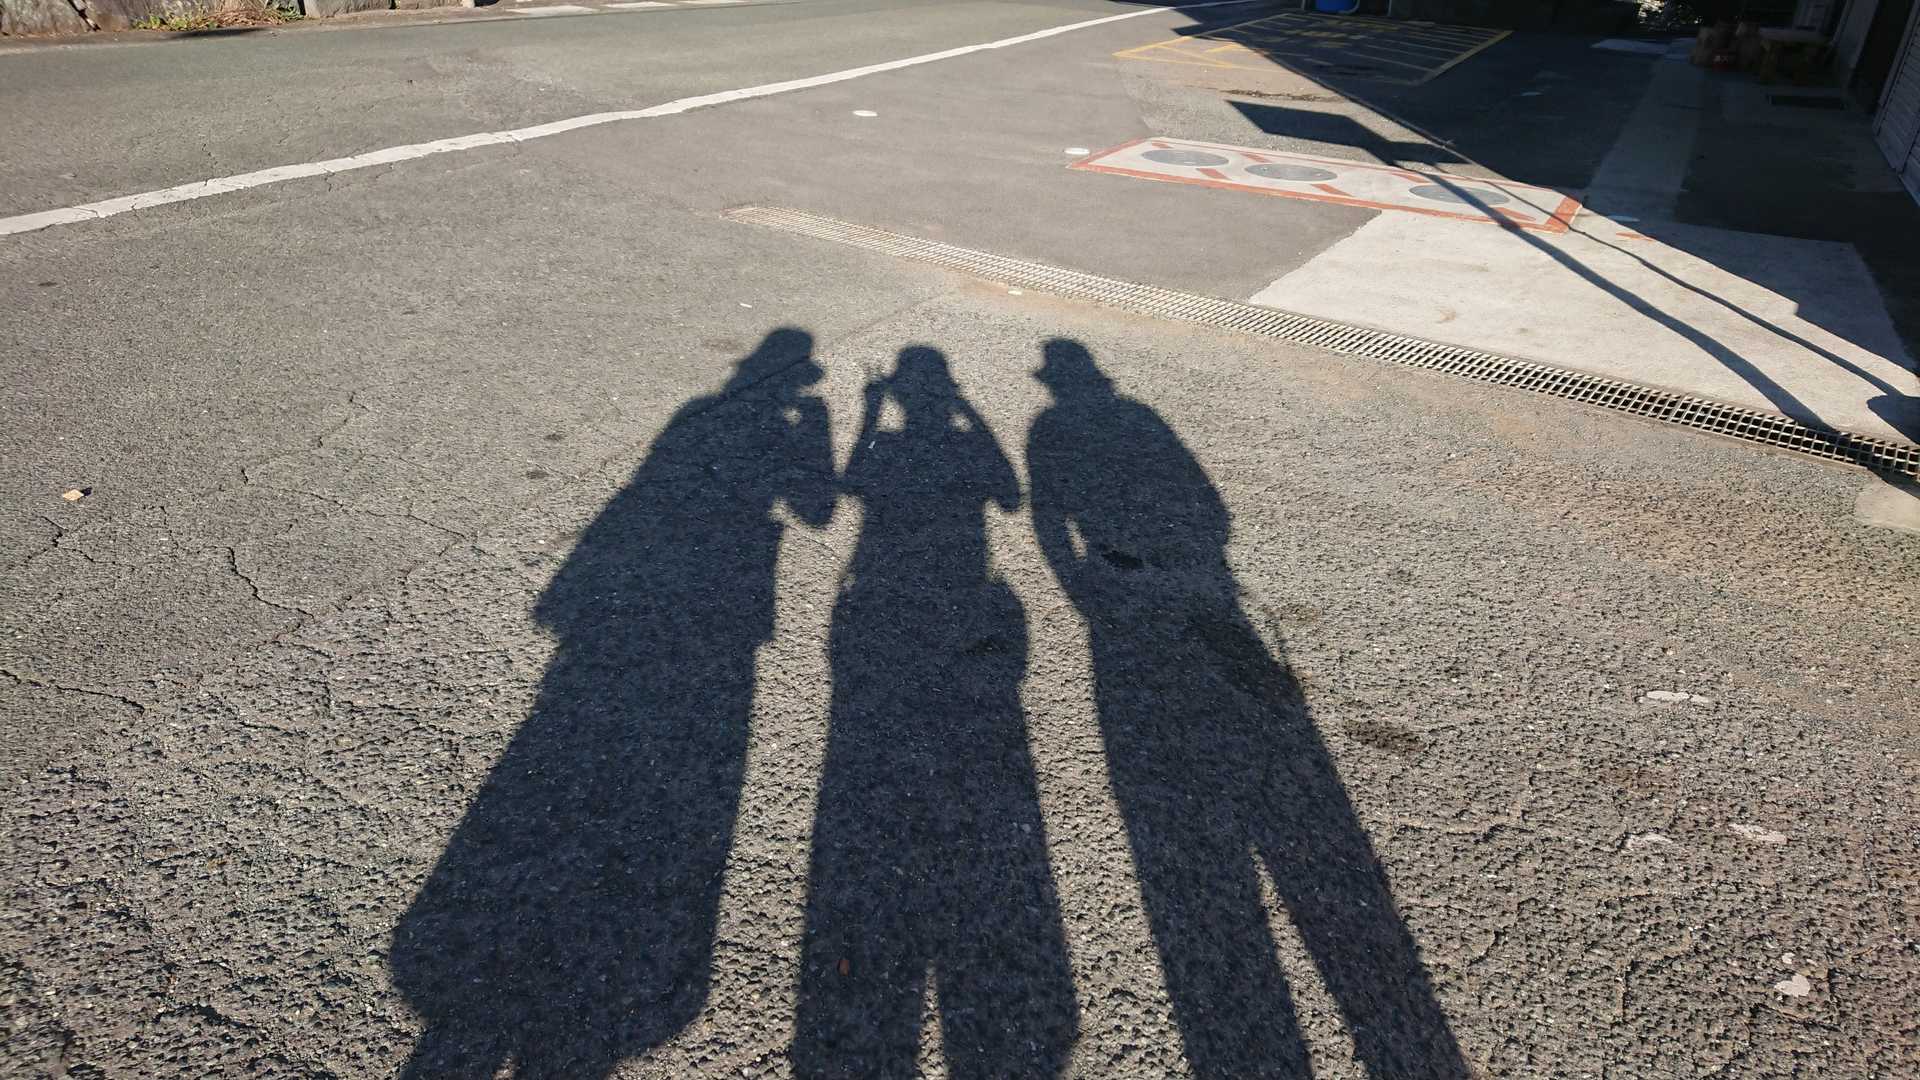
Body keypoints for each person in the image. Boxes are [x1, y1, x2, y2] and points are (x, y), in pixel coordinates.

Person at [392, 329, 835, 1079]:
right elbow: (817, 508)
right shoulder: (793, 416)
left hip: (627, 625)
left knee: (560, 743)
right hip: (727, 613)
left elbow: (644, 492)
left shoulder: (700, 412)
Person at [1027, 339, 1465, 1079]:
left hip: (1131, 622)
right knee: (1298, 816)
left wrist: (1079, 585)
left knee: (1173, 785)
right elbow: (1208, 506)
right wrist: (1196, 545)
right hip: (1208, 585)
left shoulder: (1052, 426)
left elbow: (1046, 514)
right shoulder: (1129, 414)